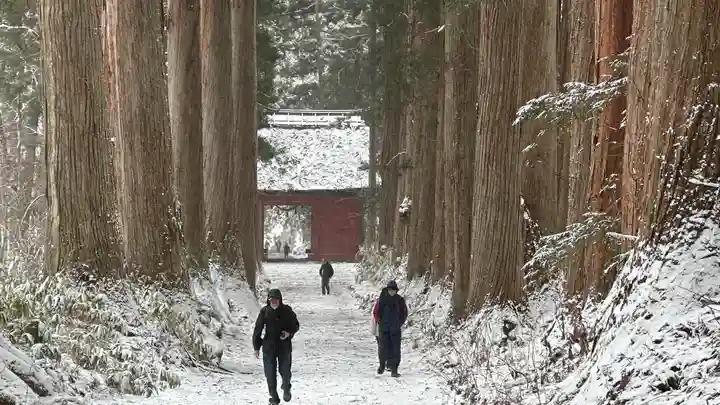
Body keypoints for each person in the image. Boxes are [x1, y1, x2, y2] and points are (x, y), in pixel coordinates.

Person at [253, 289, 300, 404]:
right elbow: (258, 329)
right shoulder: (264, 312)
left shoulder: (287, 311)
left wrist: (288, 333)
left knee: (285, 371)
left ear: (280, 300)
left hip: (284, 346)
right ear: (268, 301)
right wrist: (256, 347)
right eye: (271, 300)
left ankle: (286, 387)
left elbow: (296, 325)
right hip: (269, 346)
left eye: (276, 300)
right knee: (270, 373)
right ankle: (274, 398)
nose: (274, 302)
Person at [372, 280, 408, 377]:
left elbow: (404, 313)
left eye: (394, 290)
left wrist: (399, 323)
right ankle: (382, 365)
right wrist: (380, 322)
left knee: (395, 349)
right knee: (383, 348)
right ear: (387, 290)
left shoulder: (400, 300)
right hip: (384, 328)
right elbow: (376, 312)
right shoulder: (381, 300)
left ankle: (394, 369)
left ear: (396, 291)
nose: (392, 292)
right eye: (390, 290)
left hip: (395, 328)